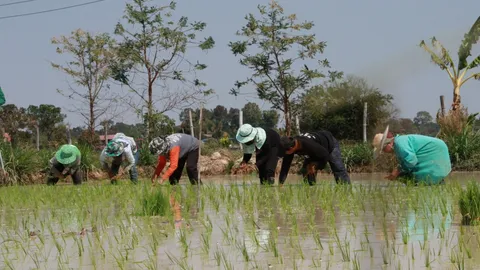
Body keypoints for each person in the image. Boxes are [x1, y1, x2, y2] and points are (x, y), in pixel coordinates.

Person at [373, 126, 452, 185]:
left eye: (383, 150)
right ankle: (437, 182)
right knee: (422, 180)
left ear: (388, 144)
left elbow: (411, 161)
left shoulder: (399, 144)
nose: (384, 152)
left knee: (413, 179)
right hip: (437, 149)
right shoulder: (399, 142)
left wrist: (397, 171)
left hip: (435, 152)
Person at [279, 130, 351, 186]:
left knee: (337, 168)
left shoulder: (308, 144)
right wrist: (280, 183)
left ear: (291, 148)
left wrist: (316, 166)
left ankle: (345, 188)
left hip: (329, 144)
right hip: (314, 152)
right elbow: (285, 166)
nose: (284, 154)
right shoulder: (289, 145)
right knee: (306, 172)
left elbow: (325, 155)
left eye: (284, 153)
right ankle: (312, 192)